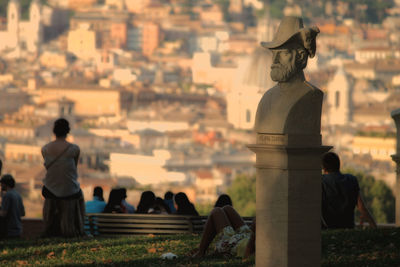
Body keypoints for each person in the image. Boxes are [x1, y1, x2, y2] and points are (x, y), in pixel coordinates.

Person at [41, 118, 85, 237]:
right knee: (79, 196)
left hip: (50, 188)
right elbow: (73, 169)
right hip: (69, 190)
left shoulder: (45, 149)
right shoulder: (74, 149)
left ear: (54, 131)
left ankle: (49, 229)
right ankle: (77, 229)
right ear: (68, 131)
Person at [321, 152, 377, 229]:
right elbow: (361, 207)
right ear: (338, 165)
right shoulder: (351, 179)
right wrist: (374, 227)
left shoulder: (321, 181)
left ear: (324, 168)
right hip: (349, 228)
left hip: (330, 230)